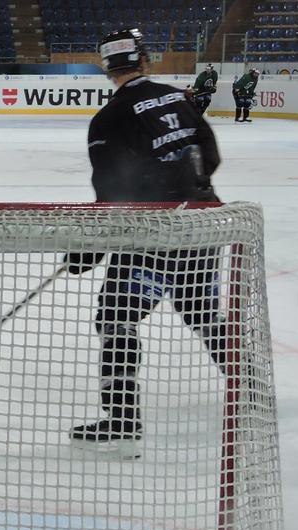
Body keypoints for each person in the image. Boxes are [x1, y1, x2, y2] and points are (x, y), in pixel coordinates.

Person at [68, 28, 223, 453]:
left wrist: (88, 249)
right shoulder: (179, 97)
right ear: (145, 60)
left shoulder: (109, 119)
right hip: (201, 227)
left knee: (116, 319)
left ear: (106, 66)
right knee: (203, 315)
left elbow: (112, 195)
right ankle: (249, 393)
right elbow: (209, 157)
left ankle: (122, 420)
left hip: (150, 237)